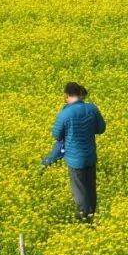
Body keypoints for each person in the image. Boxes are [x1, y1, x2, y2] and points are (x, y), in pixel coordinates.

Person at [49, 82, 106, 221]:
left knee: (80, 190)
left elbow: (57, 135)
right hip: (90, 156)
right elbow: (101, 129)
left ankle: (84, 218)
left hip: (75, 159)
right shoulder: (92, 109)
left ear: (67, 95)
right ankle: (92, 214)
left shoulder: (65, 113)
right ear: (80, 94)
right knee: (90, 188)